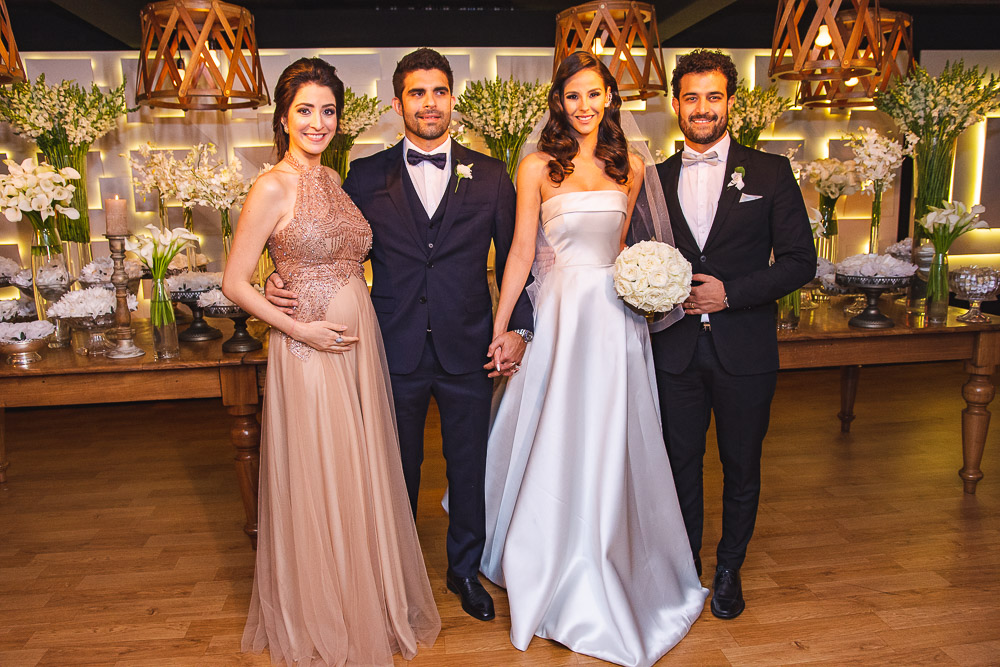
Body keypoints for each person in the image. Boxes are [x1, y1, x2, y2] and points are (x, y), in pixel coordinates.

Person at [265, 48, 534, 622]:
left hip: (470, 346)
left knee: (470, 468)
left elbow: (520, 260)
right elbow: (324, 240)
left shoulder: (491, 175)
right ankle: (396, 575)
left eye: (439, 92)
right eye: (417, 93)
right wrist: (278, 274)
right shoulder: (364, 175)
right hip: (388, 346)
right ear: (397, 104)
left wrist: (519, 328)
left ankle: (465, 571)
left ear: (452, 99)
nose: (429, 103)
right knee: (391, 468)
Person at [480, 51, 708, 667]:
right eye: (572, 95)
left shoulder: (631, 165)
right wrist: (502, 328)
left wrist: (648, 286)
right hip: (559, 315)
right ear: (559, 102)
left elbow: (629, 244)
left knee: (611, 434)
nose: (583, 106)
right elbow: (520, 252)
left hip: (614, 320)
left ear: (609, 98)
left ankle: (608, 555)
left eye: (594, 94)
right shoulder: (536, 166)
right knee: (557, 431)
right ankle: (546, 552)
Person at [223, 57, 440, 665]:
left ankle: (362, 598)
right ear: (283, 118)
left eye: (328, 111)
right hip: (308, 348)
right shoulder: (272, 185)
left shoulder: (333, 179)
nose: (317, 122)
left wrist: (282, 280)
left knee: (357, 470)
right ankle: (324, 611)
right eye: (305, 111)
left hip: (355, 343)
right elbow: (233, 281)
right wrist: (300, 328)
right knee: (323, 470)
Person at [650, 49, 815, 619]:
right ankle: (684, 569)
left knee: (742, 465)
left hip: (745, 348)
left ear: (730, 103)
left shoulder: (769, 172)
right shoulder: (654, 180)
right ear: (676, 106)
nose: (702, 108)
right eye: (691, 98)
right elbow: (638, 256)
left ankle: (728, 570)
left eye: (713, 97)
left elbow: (800, 262)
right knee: (679, 464)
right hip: (673, 350)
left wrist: (731, 293)